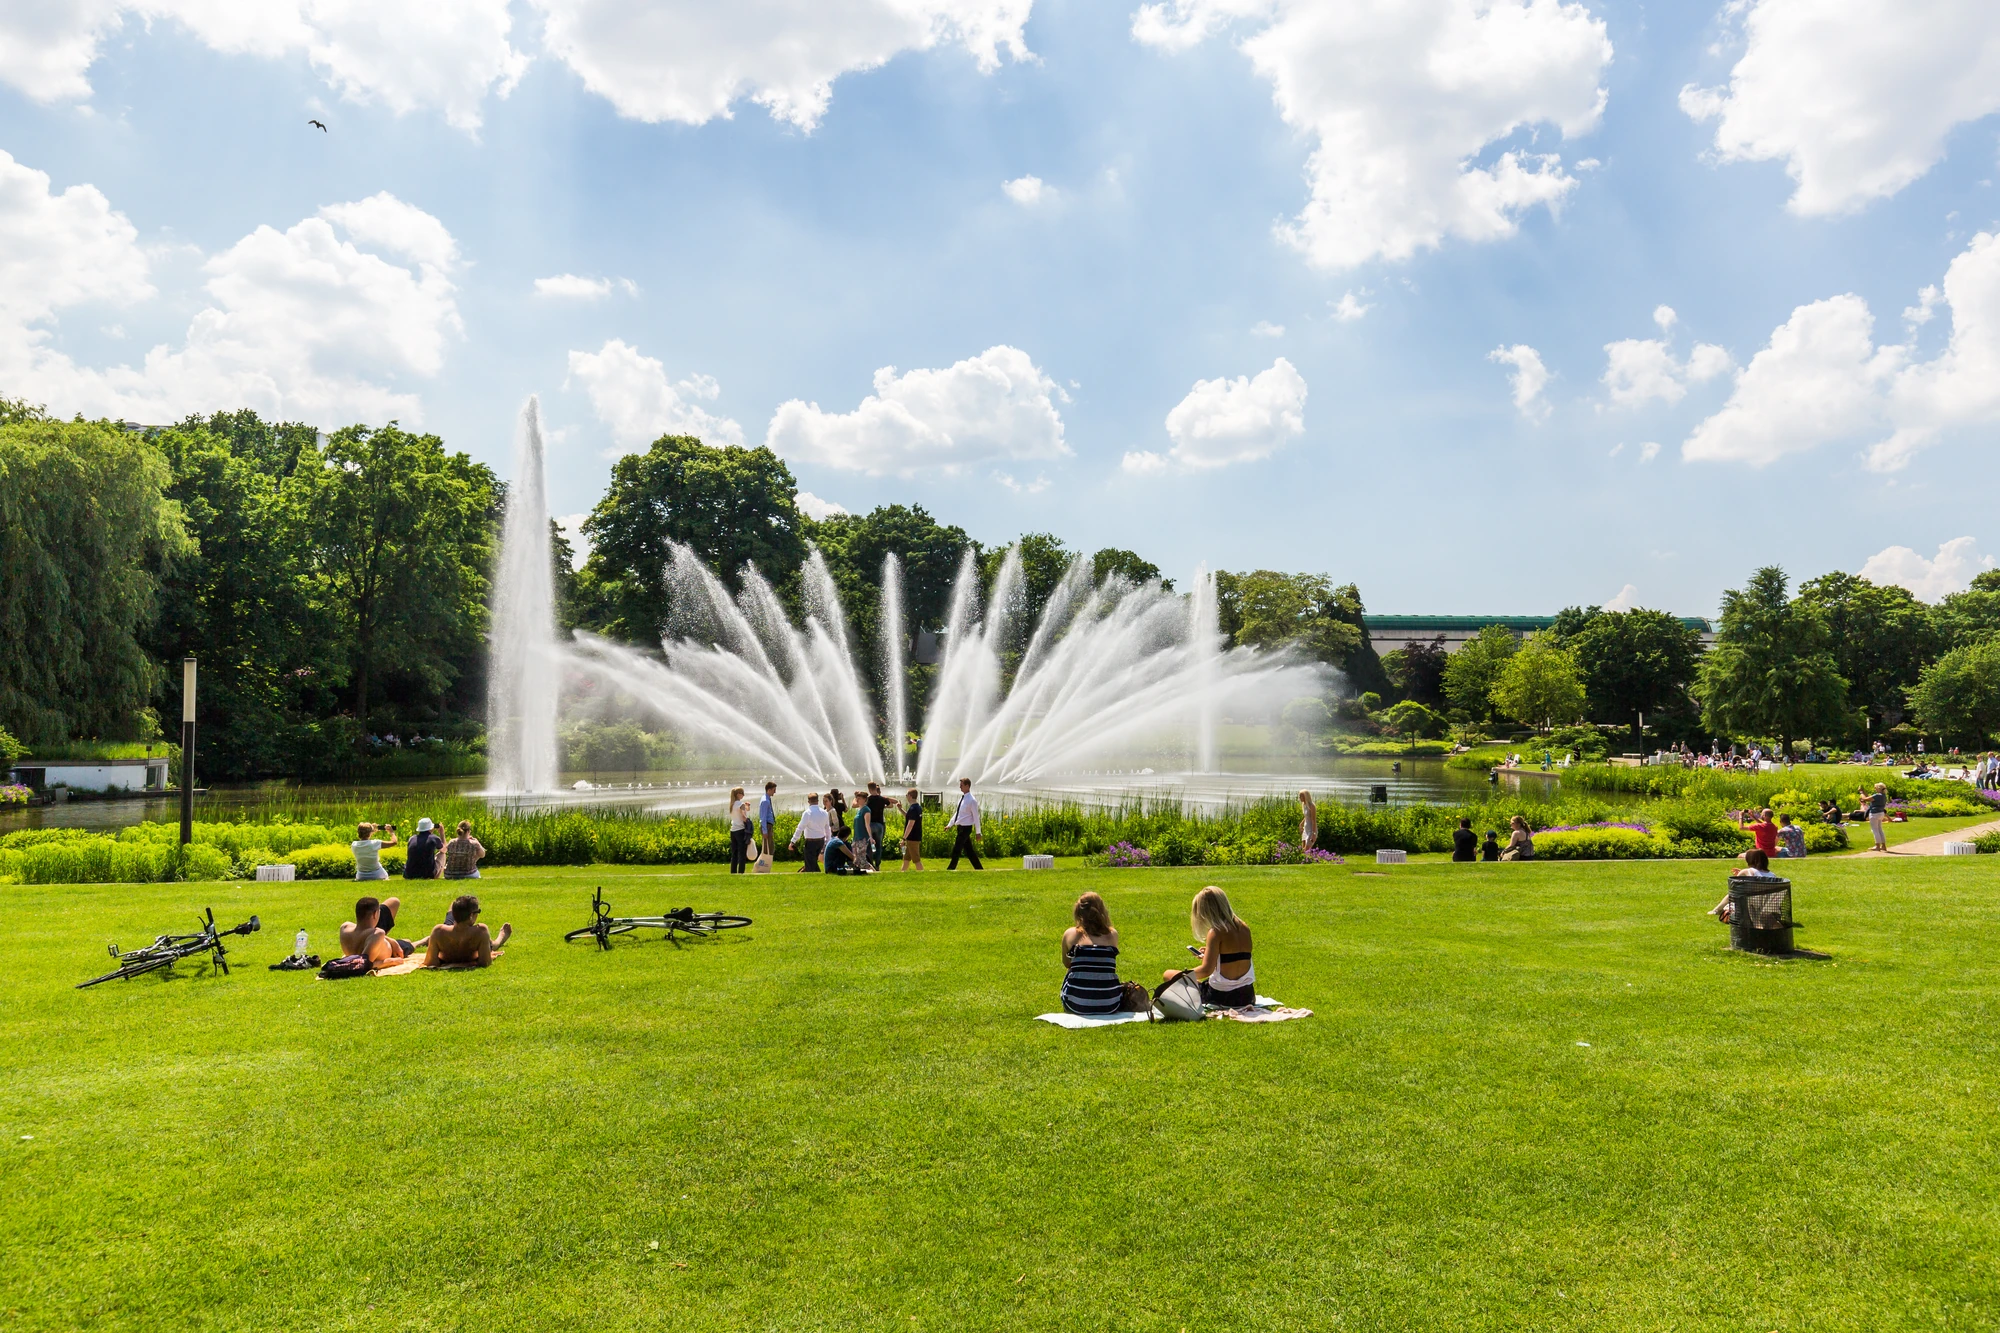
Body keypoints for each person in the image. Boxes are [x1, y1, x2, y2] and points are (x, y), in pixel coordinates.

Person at [1163, 886, 1255, 1010]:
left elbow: (1206, 970)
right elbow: (1236, 957)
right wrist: (1212, 954)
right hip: (1247, 995)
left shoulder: (1216, 932)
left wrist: (1184, 975)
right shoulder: (1244, 928)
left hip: (1221, 996)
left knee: (1169, 974)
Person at [1060, 891, 1127, 1016]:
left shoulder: (1070, 934)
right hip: (1110, 1004)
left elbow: (1067, 963)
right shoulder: (1112, 935)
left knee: (1073, 969)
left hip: (1075, 1005)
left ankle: (1081, 994)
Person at [422, 894, 511, 968]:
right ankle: (500, 939)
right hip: (472, 941)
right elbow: (485, 962)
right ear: (471, 915)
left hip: (450, 934)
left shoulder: (438, 931)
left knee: (455, 909)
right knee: (492, 944)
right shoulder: (481, 931)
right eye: (478, 911)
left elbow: (430, 962)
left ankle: (457, 908)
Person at [340, 895, 412, 966]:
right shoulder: (378, 933)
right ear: (375, 914)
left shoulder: (345, 927)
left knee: (394, 901)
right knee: (409, 945)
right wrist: (391, 961)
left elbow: (363, 934)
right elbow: (364, 964)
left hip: (381, 943)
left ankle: (405, 941)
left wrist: (392, 941)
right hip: (392, 952)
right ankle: (418, 942)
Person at [947, 777, 983, 870]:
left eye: (961, 785)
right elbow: (958, 813)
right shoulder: (962, 799)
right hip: (960, 827)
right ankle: (979, 869)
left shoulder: (972, 800)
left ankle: (951, 869)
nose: (960, 787)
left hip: (966, 828)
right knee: (969, 851)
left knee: (957, 848)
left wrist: (978, 832)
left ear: (967, 786)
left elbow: (976, 817)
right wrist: (950, 824)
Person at [789, 792, 830, 871]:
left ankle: (811, 872)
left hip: (811, 842)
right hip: (821, 841)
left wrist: (793, 841)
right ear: (817, 801)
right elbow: (827, 829)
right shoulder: (824, 813)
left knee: (810, 863)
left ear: (808, 802)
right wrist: (828, 841)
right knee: (812, 862)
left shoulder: (807, 813)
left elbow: (800, 828)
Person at [865, 782, 894, 864]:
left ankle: (870, 863)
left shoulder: (868, 799)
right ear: (876, 788)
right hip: (879, 824)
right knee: (878, 845)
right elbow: (891, 805)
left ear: (869, 789)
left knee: (870, 845)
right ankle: (877, 864)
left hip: (870, 824)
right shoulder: (882, 799)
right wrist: (884, 806)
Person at [727, 786, 752, 874]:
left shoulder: (732, 804)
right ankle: (741, 872)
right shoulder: (740, 804)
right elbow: (743, 816)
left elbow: (744, 809)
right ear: (738, 794)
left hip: (733, 830)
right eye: (742, 793)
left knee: (734, 853)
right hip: (740, 830)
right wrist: (748, 822)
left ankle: (733, 872)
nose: (743, 795)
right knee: (742, 853)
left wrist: (747, 806)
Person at [900, 787, 924, 871]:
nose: (906, 796)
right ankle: (902, 873)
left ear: (910, 796)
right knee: (906, 859)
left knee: (916, 860)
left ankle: (922, 874)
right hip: (913, 837)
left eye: (906, 795)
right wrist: (900, 809)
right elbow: (908, 817)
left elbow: (910, 824)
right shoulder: (917, 807)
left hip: (913, 838)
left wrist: (903, 838)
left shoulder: (913, 809)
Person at [758, 782, 778, 861]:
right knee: (767, 848)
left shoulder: (767, 799)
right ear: (769, 790)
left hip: (769, 825)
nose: (775, 792)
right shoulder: (765, 801)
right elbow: (763, 817)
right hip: (767, 826)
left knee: (770, 846)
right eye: (774, 790)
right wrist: (765, 831)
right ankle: (764, 864)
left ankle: (766, 863)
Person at [1867, 782, 1890, 852]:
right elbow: (1869, 798)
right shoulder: (1883, 796)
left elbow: (1865, 799)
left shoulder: (1877, 795)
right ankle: (1883, 846)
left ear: (1879, 788)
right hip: (1881, 813)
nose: (1875, 789)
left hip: (1874, 813)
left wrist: (1861, 792)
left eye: (1876, 788)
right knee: (1880, 829)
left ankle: (1877, 846)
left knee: (1875, 830)